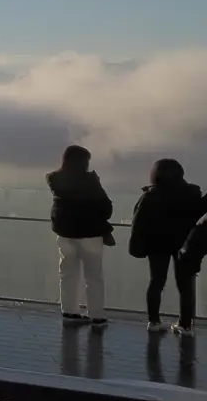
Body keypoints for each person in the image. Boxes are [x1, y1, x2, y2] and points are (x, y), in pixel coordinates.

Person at [129, 159, 205, 336]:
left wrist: (137, 246)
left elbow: (138, 222)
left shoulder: (150, 196)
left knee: (156, 283)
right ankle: (185, 325)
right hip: (185, 245)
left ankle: (154, 321)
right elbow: (199, 212)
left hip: (157, 245)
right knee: (185, 286)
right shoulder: (191, 193)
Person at [48, 144, 113, 328]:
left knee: (67, 274)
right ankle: (97, 315)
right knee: (94, 277)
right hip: (89, 234)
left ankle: (69, 311)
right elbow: (106, 208)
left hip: (65, 234)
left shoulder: (55, 179)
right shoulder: (90, 181)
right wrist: (95, 182)